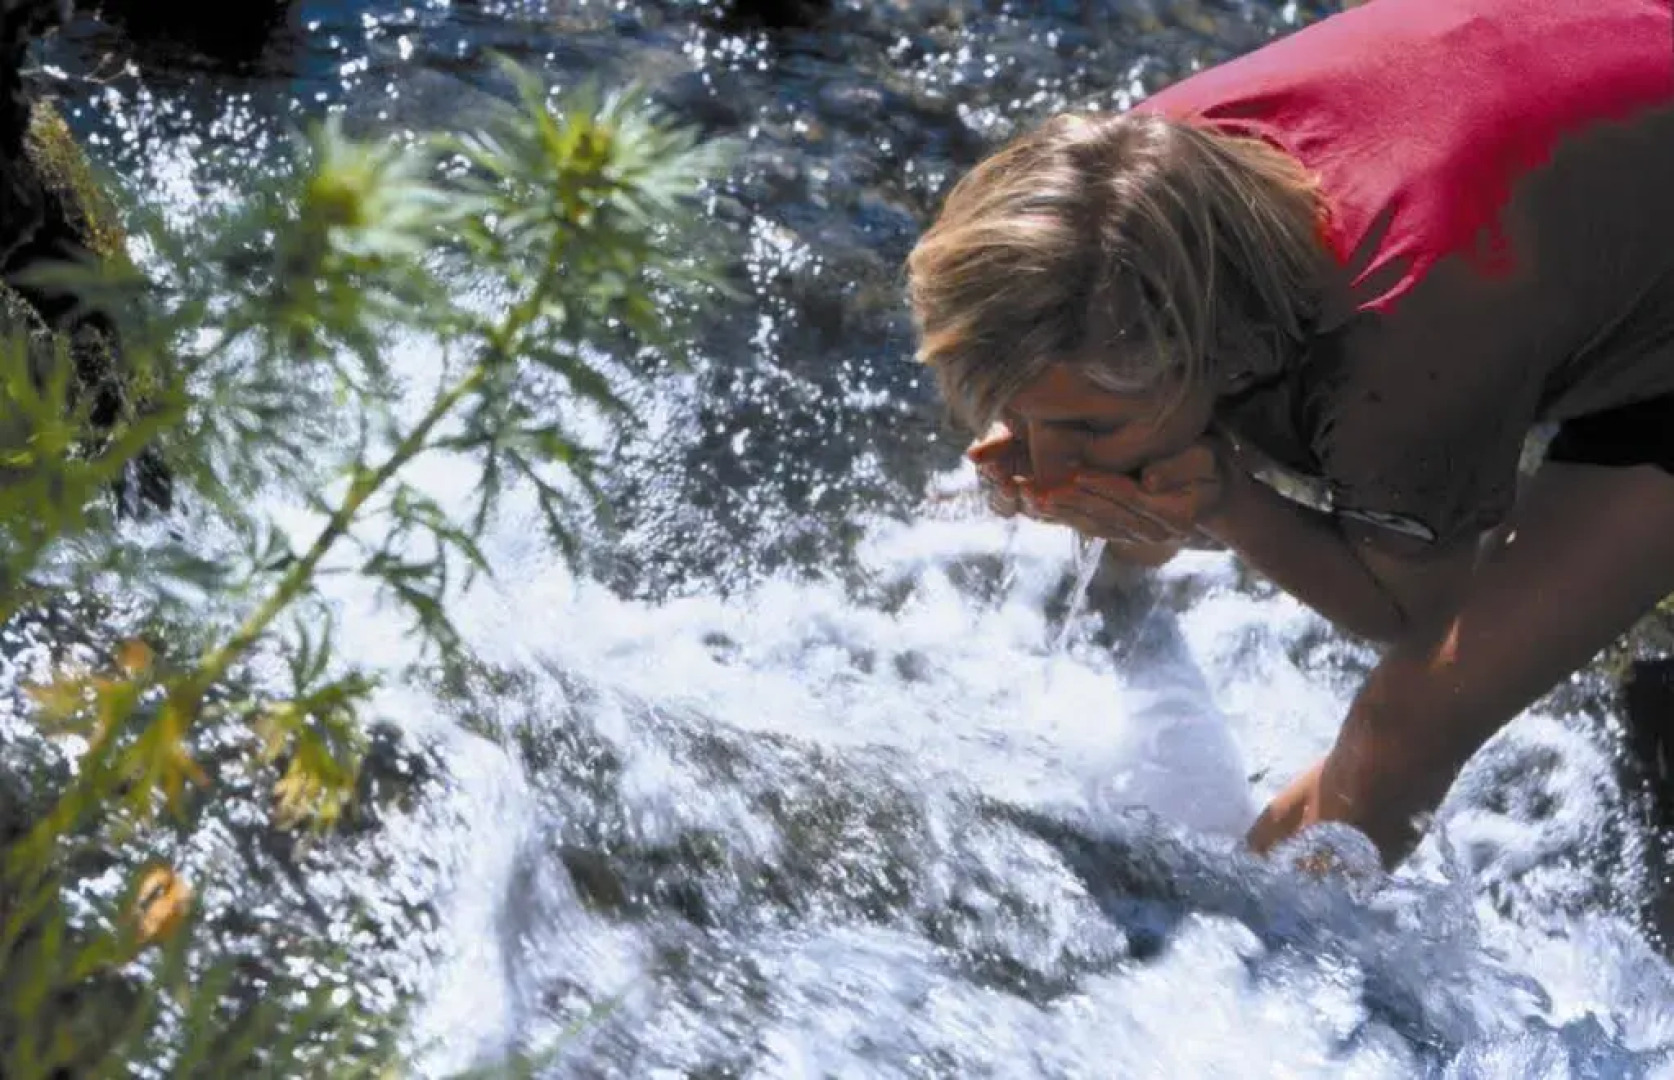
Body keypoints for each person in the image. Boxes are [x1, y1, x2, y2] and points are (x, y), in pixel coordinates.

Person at [905, 0, 1674, 868]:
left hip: (1555, 295)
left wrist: (1229, 502)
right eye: (1020, 414)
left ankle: (1240, 942)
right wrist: (1077, 439)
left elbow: (1413, 610)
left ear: (1212, 355)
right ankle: (1124, 584)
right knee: (1134, 438)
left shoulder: (1396, 349)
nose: (1045, 459)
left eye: (1084, 426)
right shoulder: (1129, 195)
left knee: (1405, 725)